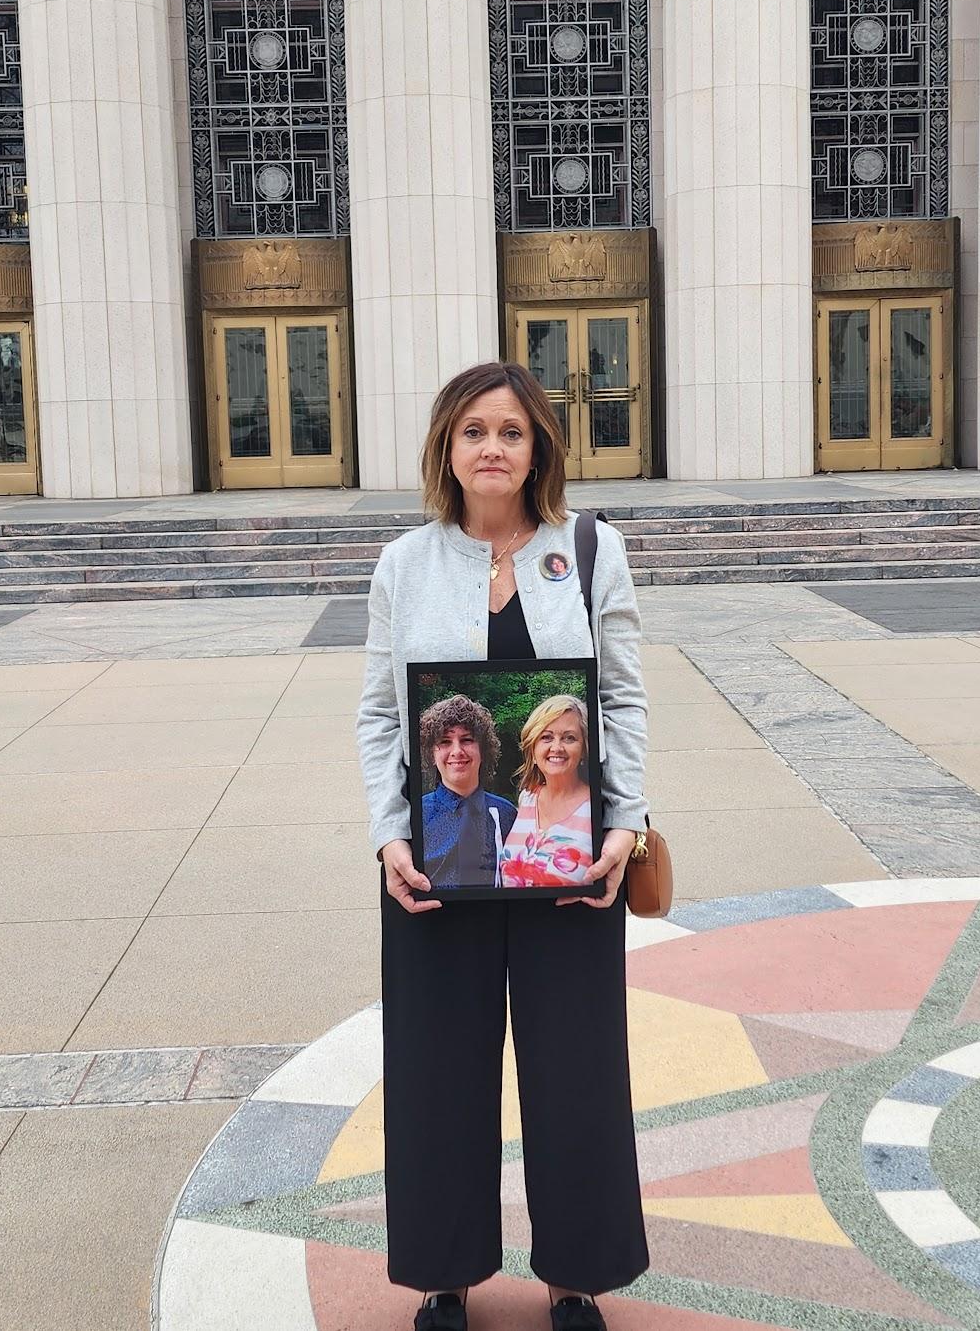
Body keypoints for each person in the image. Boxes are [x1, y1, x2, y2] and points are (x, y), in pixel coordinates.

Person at [356, 361, 650, 1331]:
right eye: (473, 429)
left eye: (512, 431)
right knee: (438, 1072)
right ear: (446, 445)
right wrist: (387, 837)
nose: (492, 447)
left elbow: (625, 697)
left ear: (539, 449)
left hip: (567, 863)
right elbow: (374, 714)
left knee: (576, 1071)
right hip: (436, 864)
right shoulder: (403, 564)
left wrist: (624, 820)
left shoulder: (592, 549)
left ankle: (576, 1276)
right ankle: (446, 1274)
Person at [420, 694, 518, 887]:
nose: (457, 751)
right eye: (445, 742)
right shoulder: (416, 815)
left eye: (466, 740)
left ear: (483, 750)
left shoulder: (507, 814)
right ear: (431, 754)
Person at [500, 694, 594, 889]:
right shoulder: (527, 797)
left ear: (584, 749)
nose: (557, 747)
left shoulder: (597, 805)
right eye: (546, 737)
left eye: (569, 738)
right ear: (533, 750)